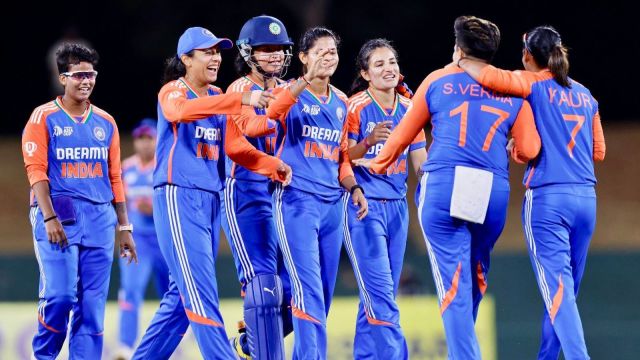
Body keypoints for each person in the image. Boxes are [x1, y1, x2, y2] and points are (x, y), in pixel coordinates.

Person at [355, 16, 541, 359]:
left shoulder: (438, 81)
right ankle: (464, 347)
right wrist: (511, 146)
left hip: (443, 185)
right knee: (475, 276)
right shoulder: (514, 88)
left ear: (458, 49)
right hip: (491, 189)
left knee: (453, 286)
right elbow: (529, 150)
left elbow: (403, 133)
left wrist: (377, 163)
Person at [131, 26, 291, 360]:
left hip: (210, 200)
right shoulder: (174, 91)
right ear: (185, 59)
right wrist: (240, 98)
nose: (216, 58)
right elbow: (179, 113)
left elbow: (234, 147)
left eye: (218, 52)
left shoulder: (216, 96)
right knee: (201, 291)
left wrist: (270, 164)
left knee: (179, 301)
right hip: (178, 197)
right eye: (207, 52)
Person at [456, 24, 606, 360]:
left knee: (559, 293)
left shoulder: (531, 84)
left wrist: (463, 59)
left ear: (527, 55)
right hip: (585, 200)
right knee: (565, 293)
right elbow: (599, 151)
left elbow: (490, 77)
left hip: (548, 200)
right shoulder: (586, 95)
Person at [22, 42, 138, 359]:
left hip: (101, 218)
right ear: (63, 78)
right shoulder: (42, 117)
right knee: (60, 296)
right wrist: (48, 217)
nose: (86, 81)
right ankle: (43, 356)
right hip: (60, 213)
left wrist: (124, 226)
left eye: (91, 74)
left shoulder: (106, 122)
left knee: (91, 308)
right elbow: (36, 172)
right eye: (79, 75)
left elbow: (115, 177)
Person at [223, 15, 328, 360]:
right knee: (265, 288)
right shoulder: (240, 90)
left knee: (301, 290)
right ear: (247, 52)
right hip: (247, 192)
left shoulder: (290, 90)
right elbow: (245, 137)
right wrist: (272, 165)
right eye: (264, 50)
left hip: (285, 197)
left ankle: (251, 344)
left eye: (278, 50)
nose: (272, 56)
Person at [270, 26, 368, 359]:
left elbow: (340, 156)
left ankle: (260, 338)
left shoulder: (342, 101)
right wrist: (303, 81)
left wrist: (353, 186)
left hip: (333, 205)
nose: (328, 58)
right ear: (302, 57)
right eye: (320, 52)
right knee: (307, 288)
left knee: (323, 293)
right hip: (297, 201)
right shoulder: (288, 91)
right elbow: (271, 115)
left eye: (333, 52)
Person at [344, 38, 427, 360]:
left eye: (391, 62)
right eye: (379, 64)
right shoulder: (354, 108)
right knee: (380, 295)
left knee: (378, 295)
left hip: (397, 208)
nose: (388, 68)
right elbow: (339, 158)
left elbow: (420, 162)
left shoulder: (411, 109)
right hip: (363, 207)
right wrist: (367, 142)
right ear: (365, 73)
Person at [115, 119, 170, 359]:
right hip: (137, 241)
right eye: (140, 138)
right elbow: (118, 202)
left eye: (149, 138)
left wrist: (156, 207)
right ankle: (126, 347)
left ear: (157, 139)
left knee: (171, 293)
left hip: (164, 239)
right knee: (130, 290)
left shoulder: (165, 165)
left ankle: (172, 339)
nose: (144, 143)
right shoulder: (126, 168)